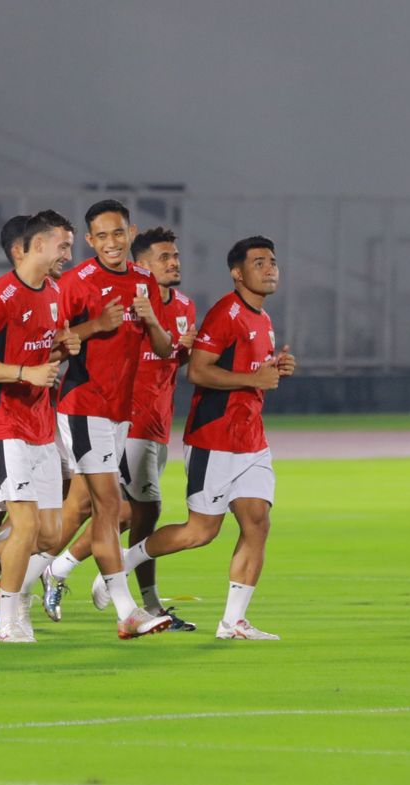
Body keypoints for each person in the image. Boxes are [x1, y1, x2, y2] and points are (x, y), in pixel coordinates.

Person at [108, 235, 295, 640]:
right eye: (259, 262)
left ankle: (233, 622)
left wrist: (277, 366)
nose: (270, 269)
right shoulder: (225, 313)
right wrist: (253, 377)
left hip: (252, 441)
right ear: (237, 273)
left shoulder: (261, 318)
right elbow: (198, 371)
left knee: (257, 522)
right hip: (215, 439)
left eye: (272, 261)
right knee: (200, 532)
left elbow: (251, 371)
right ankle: (119, 564)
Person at [42, 227, 196, 628]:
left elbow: (169, 355)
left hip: (150, 421)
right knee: (132, 510)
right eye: (164, 257)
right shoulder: (106, 291)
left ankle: (32, 567)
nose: (173, 262)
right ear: (140, 265)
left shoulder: (182, 306)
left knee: (84, 508)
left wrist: (183, 347)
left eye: (175, 256)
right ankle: (136, 601)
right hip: (120, 415)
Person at [0, 210, 80, 643]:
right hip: (2, 422)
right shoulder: (1, 295)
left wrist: (64, 345)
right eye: (63, 245)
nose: (68, 253)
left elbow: (46, 350)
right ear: (37, 245)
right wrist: (26, 374)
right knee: (25, 528)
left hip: (40, 422)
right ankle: (9, 621)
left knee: (50, 534)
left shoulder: (55, 293)